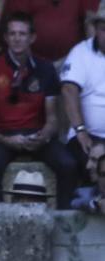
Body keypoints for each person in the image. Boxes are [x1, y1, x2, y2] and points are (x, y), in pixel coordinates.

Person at [0, 11, 77, 208]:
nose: (17, 39)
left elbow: (53, 119)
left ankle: (64, 222)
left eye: (22, 34)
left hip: (36, 135)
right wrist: (7, 140)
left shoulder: (45, 69)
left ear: (32, 37)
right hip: (1, 135)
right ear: (5, 38)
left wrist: (42, 135)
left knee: (68, 164)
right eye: (12, 34)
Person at [61, 7, 105, 181]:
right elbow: (68, 90)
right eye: (103, 29)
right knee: (88, 161)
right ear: (95, 29)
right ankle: (85, 205)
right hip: (86, 136)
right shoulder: (80, 52)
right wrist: (80, 130)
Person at [5, 0, 97, 64]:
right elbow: (17, 25)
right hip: (31, 59)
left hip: (71, 60)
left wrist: (94, 59)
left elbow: (91, 22)